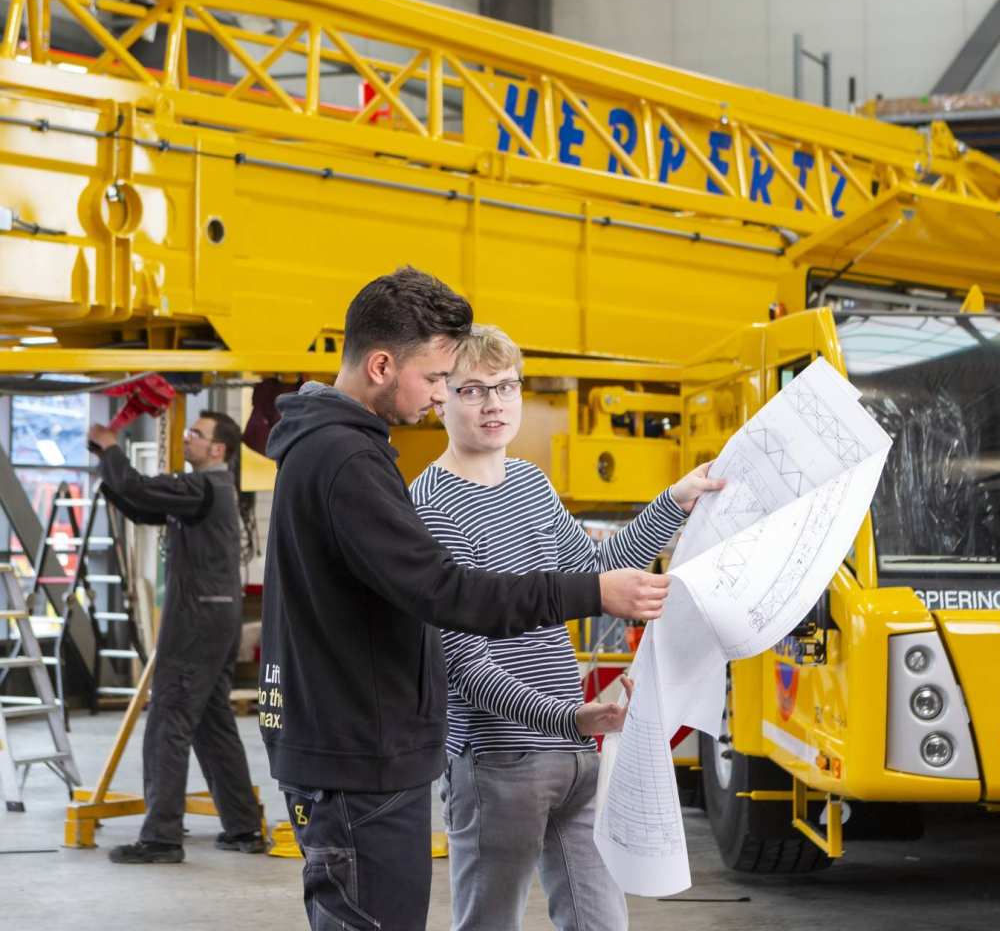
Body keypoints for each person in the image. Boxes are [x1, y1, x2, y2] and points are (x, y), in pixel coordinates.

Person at [259, 266, 671, 931]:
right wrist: (592, 596)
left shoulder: (348, 454)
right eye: (441, 382)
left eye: (500, 386)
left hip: (367, 750)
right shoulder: (349, 464)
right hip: (365, 754)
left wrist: (673, 507)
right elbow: (447, 596)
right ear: (384, 364)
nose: (444, 395)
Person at [410, 324, 723, 930]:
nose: (494, 404)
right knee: (488, 924)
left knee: (601, 924)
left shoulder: (530, 483)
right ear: (440, 398)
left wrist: (676, 501)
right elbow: (464, 665)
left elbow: (595, 569)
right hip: (499, 760)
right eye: (473, 390)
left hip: (578, 753)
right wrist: (569, 717)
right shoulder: (430, 508)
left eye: (505, 386)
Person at [88, 411, 265, 864]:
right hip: (216, 617)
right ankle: (243, 825)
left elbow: (141, 490)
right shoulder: (209, 490)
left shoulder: (203, 487)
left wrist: (111, 448)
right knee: (212, 724)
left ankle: (162, 837)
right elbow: (144, 506)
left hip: (197, 620)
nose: (187, 438)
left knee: (169, 718)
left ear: (218, 450)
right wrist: (108, 469)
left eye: (196, 434)